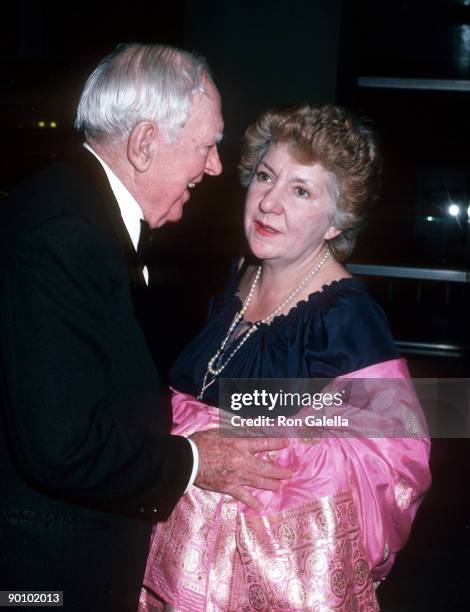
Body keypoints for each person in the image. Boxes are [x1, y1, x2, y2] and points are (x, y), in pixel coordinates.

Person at [0, 44, 290, 612]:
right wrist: (198, 462)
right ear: (145, 143)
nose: (213, 166)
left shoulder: (78, 207)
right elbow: (61, 447)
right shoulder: (68, 236)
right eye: (207, 145)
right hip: (43, 578)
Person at [141, 104, 431, 611]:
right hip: (172, 556)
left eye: (301, 190)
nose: (268, 203)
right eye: (265, 176)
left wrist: (262, 450)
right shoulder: (240, 275)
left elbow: (399, 460)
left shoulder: (345, 314)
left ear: (335, 222)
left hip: (265, 583)